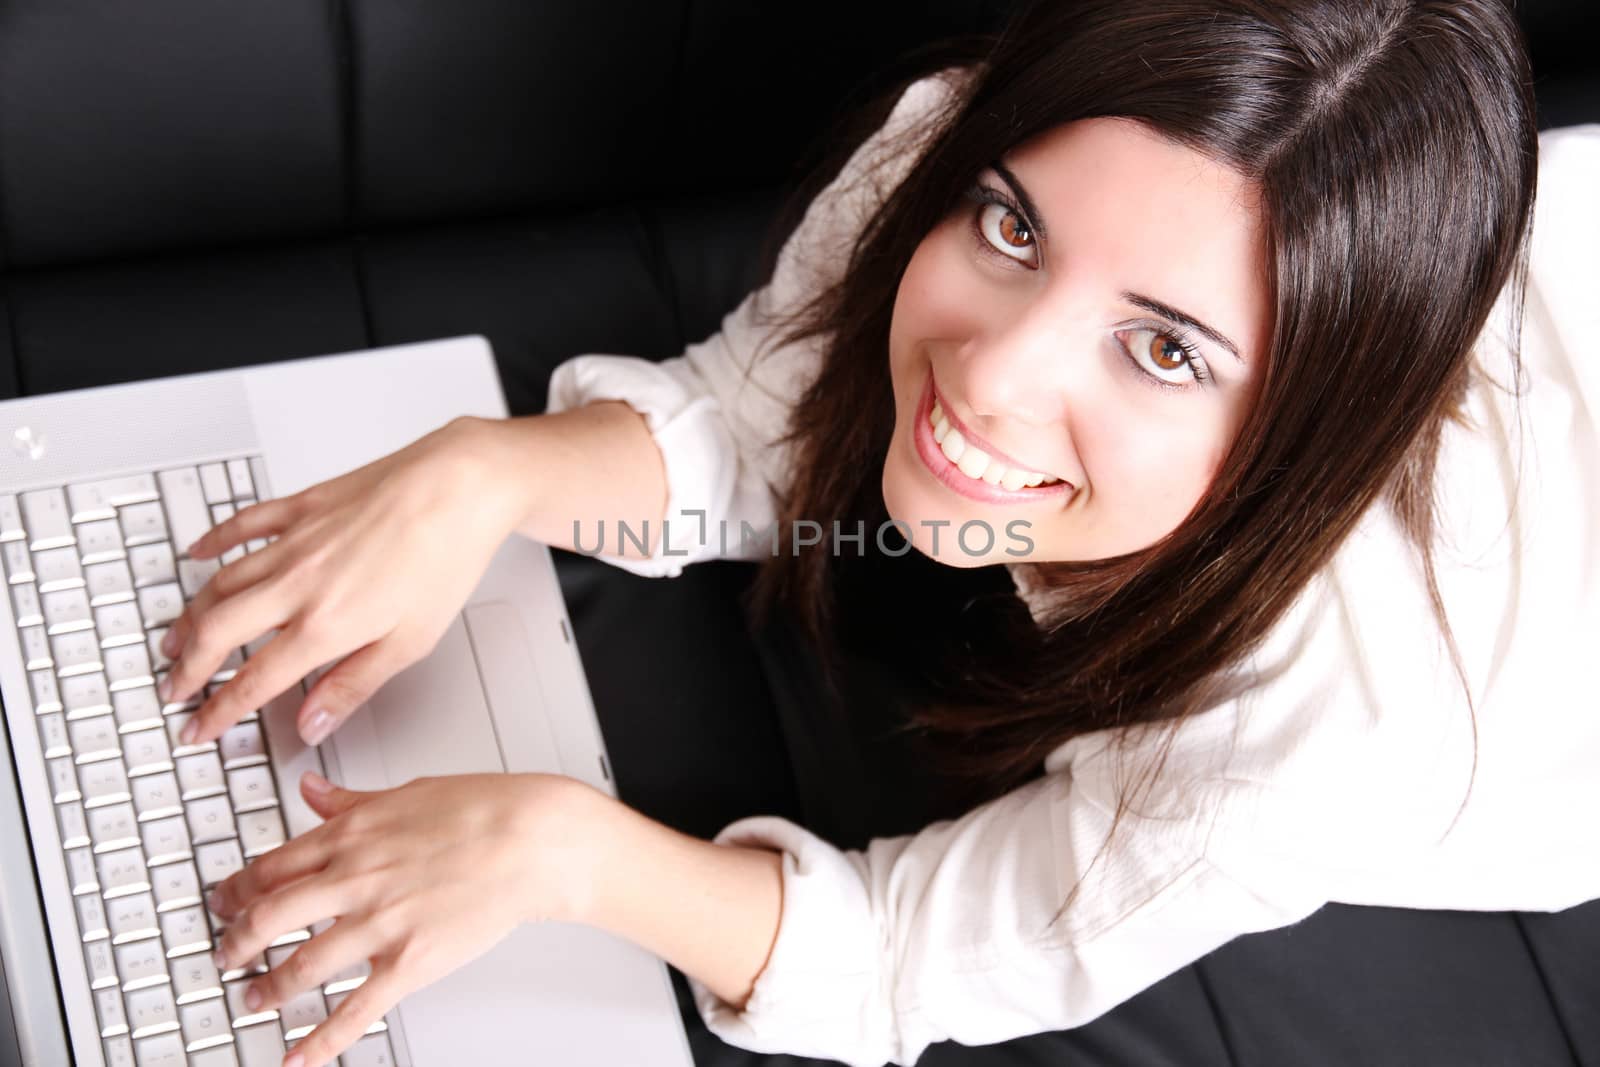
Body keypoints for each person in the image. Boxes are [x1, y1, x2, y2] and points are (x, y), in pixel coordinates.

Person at [152, 1, 1599, 1064]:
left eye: (1162, 354)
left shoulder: (1328, 729)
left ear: (1300, 443)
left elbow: (913, 959)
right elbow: (773, 414)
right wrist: (481, 474)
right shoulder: (998, 152)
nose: (988, 376)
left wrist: (564, 853)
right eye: (1013, 234)